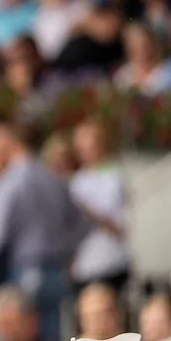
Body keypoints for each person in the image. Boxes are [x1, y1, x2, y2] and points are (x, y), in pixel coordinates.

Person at [0, 123, 87, 341]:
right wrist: (67, 251)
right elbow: (80, 224)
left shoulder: (7, 182)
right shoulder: (53, 176)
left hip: (24, 268)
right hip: (55, 270)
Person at [68, 121, 130, 295]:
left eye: (90, 147)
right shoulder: (77, 181)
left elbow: (120, 227)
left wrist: (87, 212)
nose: (86, 153)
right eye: (81, 148)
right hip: (84, 266)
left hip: (111, 263)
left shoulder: (115, 177)